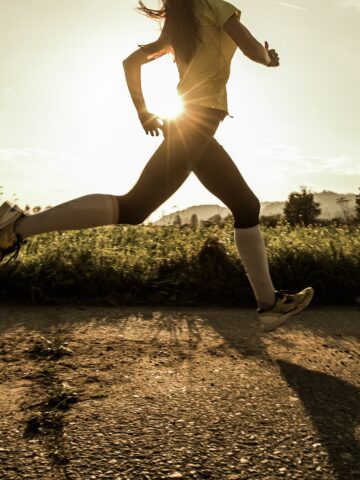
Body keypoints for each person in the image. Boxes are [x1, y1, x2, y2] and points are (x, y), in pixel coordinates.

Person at [0, 0, 313, 332]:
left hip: (194, 123)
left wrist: (143, 111)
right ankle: (16, 227)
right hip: (196, 122)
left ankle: (270, 305)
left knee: (246, 206)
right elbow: (251, 48)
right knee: (135, 207)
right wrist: (269, 59)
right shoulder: (215, 6)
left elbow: (131, 61)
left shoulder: (183, 18)